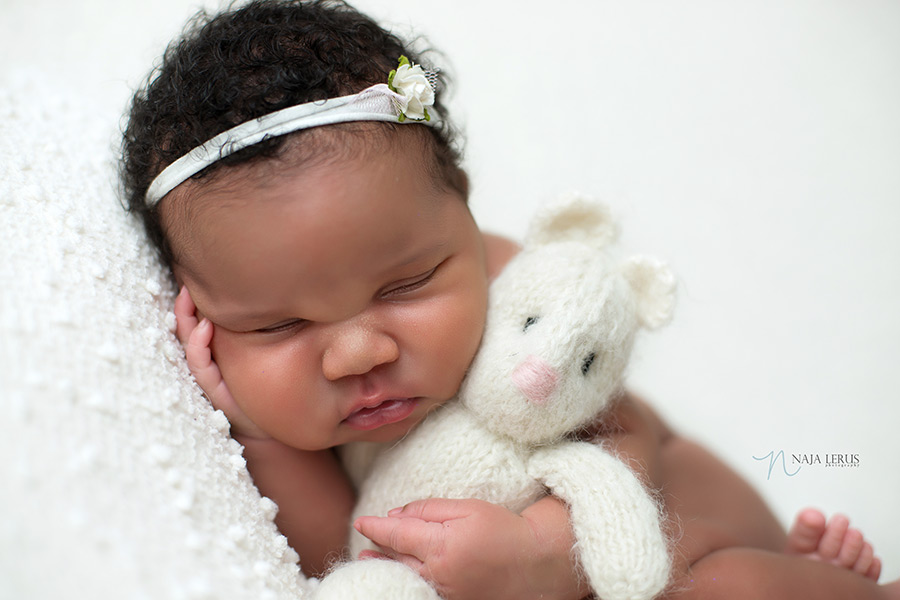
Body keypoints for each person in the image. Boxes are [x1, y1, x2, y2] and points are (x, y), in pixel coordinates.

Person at [120, 1, 899, 598]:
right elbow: (345, 548)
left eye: (406, 285)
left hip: (689, 538)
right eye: (278, 324)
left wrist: (546, 552)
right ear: (205, 313)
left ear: (461, 209)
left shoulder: (518, 291)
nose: (358, 353)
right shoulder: (275, 409)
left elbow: (626, 432)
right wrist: (260, 436)